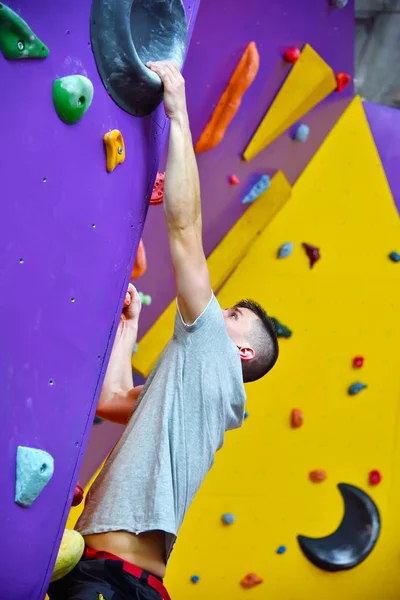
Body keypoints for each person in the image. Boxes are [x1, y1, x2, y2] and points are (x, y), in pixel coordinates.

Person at [48, 61, 279, 600]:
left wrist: (177, 112)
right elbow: (110, 402)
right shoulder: (194, 392)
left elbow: (184, 227)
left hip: (113, 581)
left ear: (239, 350)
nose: (213, 312)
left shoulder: (213, 358)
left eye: (229, 317)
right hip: (109, 577)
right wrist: (128, 328)